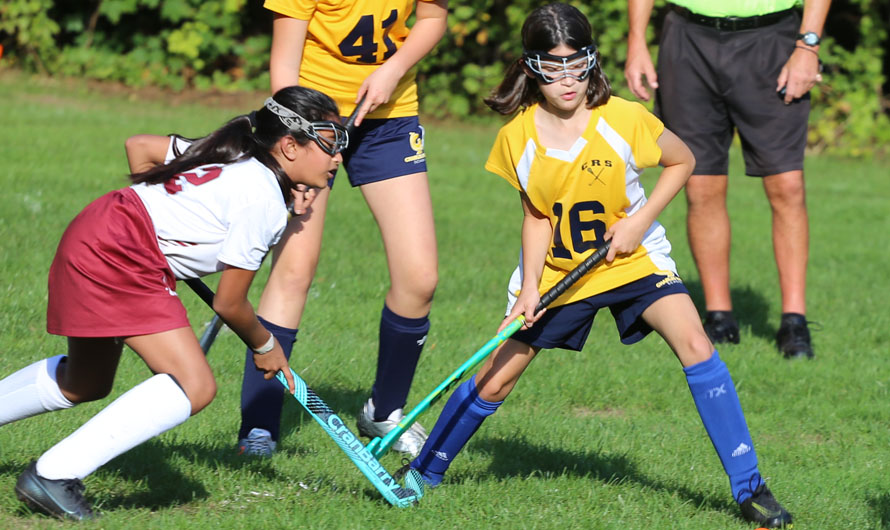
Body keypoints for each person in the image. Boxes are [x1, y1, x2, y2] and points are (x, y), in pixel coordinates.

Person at [401, 4, 793, 528]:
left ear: (591, 60)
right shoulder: (517, 136)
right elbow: (536, 218)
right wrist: (528, 292)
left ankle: (751, 489)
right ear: (531, 67)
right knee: (496, 380)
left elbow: (684, 161)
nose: (567, 79)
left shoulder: (625, 118)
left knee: (697, 345)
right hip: (562, 274)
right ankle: (421, 474)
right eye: (552, 66)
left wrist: (638, 221)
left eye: (576, 63)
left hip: (632, 260)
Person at [0, 86, 347, 521]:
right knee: (195, 384)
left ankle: (49, 473)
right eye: (331, 145)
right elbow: (230, 303)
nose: (338, 158)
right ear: (290, 146)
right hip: (121, 257)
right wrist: (265, 346)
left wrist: (173, 229)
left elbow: (139, 149)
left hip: (98, 227)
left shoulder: (235, 152)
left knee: (85, 381)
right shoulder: (262, 200)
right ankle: (51, 477)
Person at [232, 0, 448, 457]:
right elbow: (284, 67)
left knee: (419, 277)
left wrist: (393, 69)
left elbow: (432, 19)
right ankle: (259, 425)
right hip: (311, 123)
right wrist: (293, 150)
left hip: (389, 119)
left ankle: (384, 412)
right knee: (294, 269)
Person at [624, 0, 831, 359]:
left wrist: (807, 45)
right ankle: (720, 317)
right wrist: (637, 41)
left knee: (787, 185)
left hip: (773, 40)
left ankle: (794, 321)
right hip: (688, 40)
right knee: (701, 185)